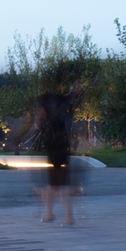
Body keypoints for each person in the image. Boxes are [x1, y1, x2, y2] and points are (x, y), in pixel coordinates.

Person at [32, 90, 76, 225]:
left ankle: (52, 214)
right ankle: (62, 215)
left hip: (54, 149)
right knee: (59, 184)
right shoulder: (62, 109)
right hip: (63, 148)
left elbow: (38, 125)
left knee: (54, 185)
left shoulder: (48, 111)